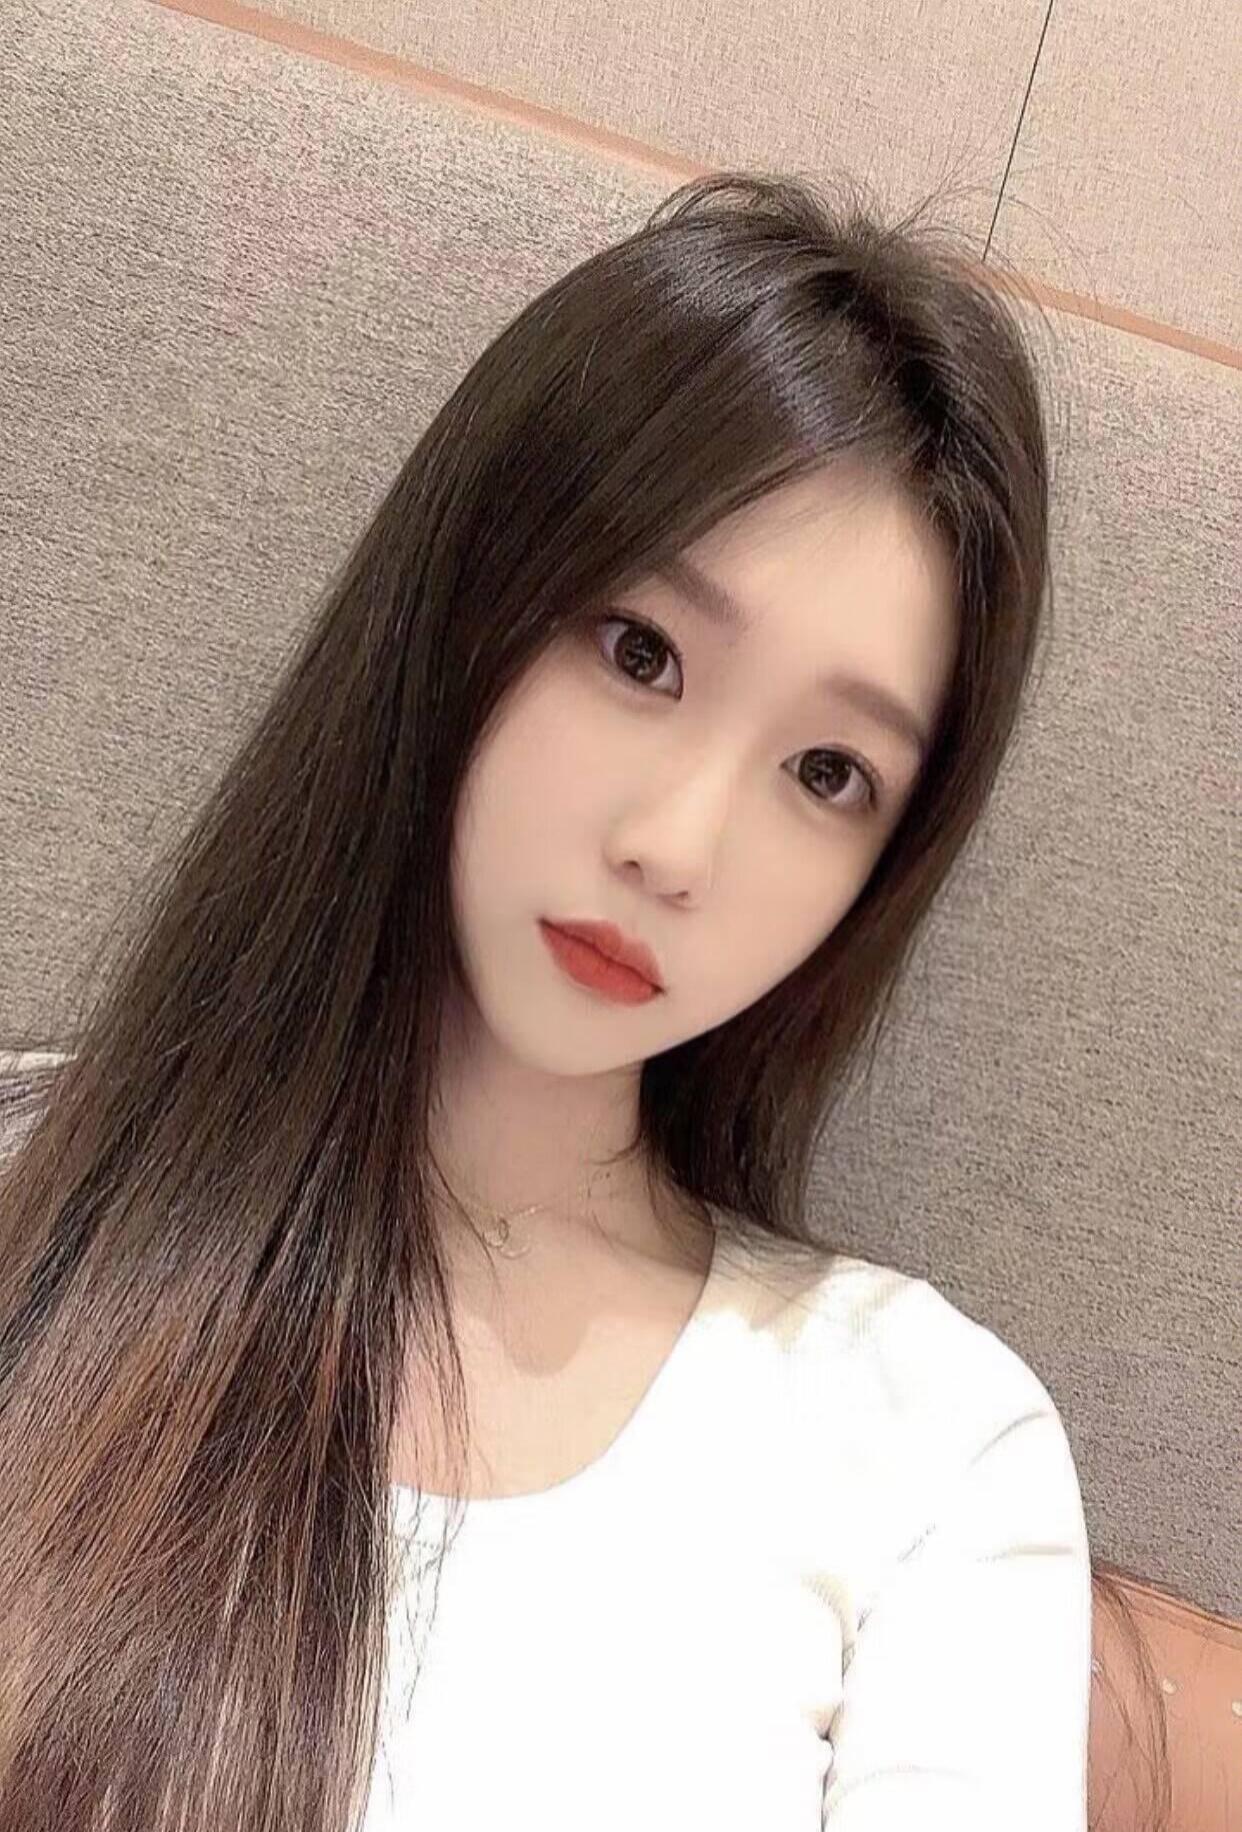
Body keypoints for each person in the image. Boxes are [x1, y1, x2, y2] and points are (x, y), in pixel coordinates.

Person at [0, 171, 1163, 1831]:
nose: (674, 847)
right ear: (470, 595)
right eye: (638, 653)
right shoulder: (45, 1198)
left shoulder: (921, 1445)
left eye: (824, 773)